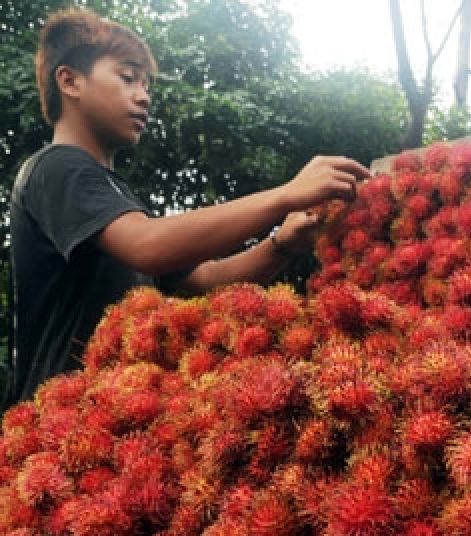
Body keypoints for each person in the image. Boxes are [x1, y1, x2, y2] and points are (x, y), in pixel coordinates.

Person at [6, 8, 371, 406]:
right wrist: (284, 194)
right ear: (70, 81)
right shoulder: (56, 167)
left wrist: (281, 243)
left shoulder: (115, 198)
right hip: (53, 436)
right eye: (128, 78)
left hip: (116, 419)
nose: (144, 96)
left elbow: (206, 280)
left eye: (147, 85)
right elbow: (147, 245)